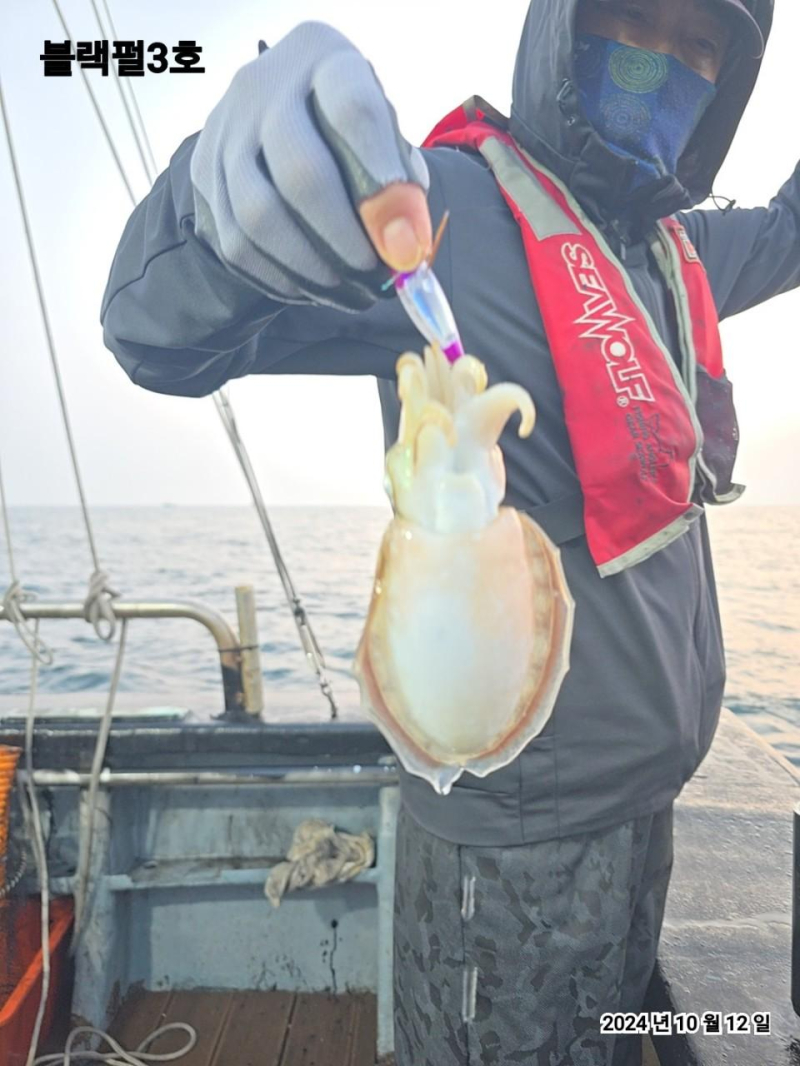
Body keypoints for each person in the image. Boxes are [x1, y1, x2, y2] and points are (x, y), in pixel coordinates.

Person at [101, 0, 791, 1062]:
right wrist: (208, 210)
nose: (659, 65)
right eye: (629, 21)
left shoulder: (676, 251)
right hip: (508, 846)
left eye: (697, 46)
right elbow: (161, 335)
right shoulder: (442, 208)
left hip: (650, 806)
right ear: (563, 30)